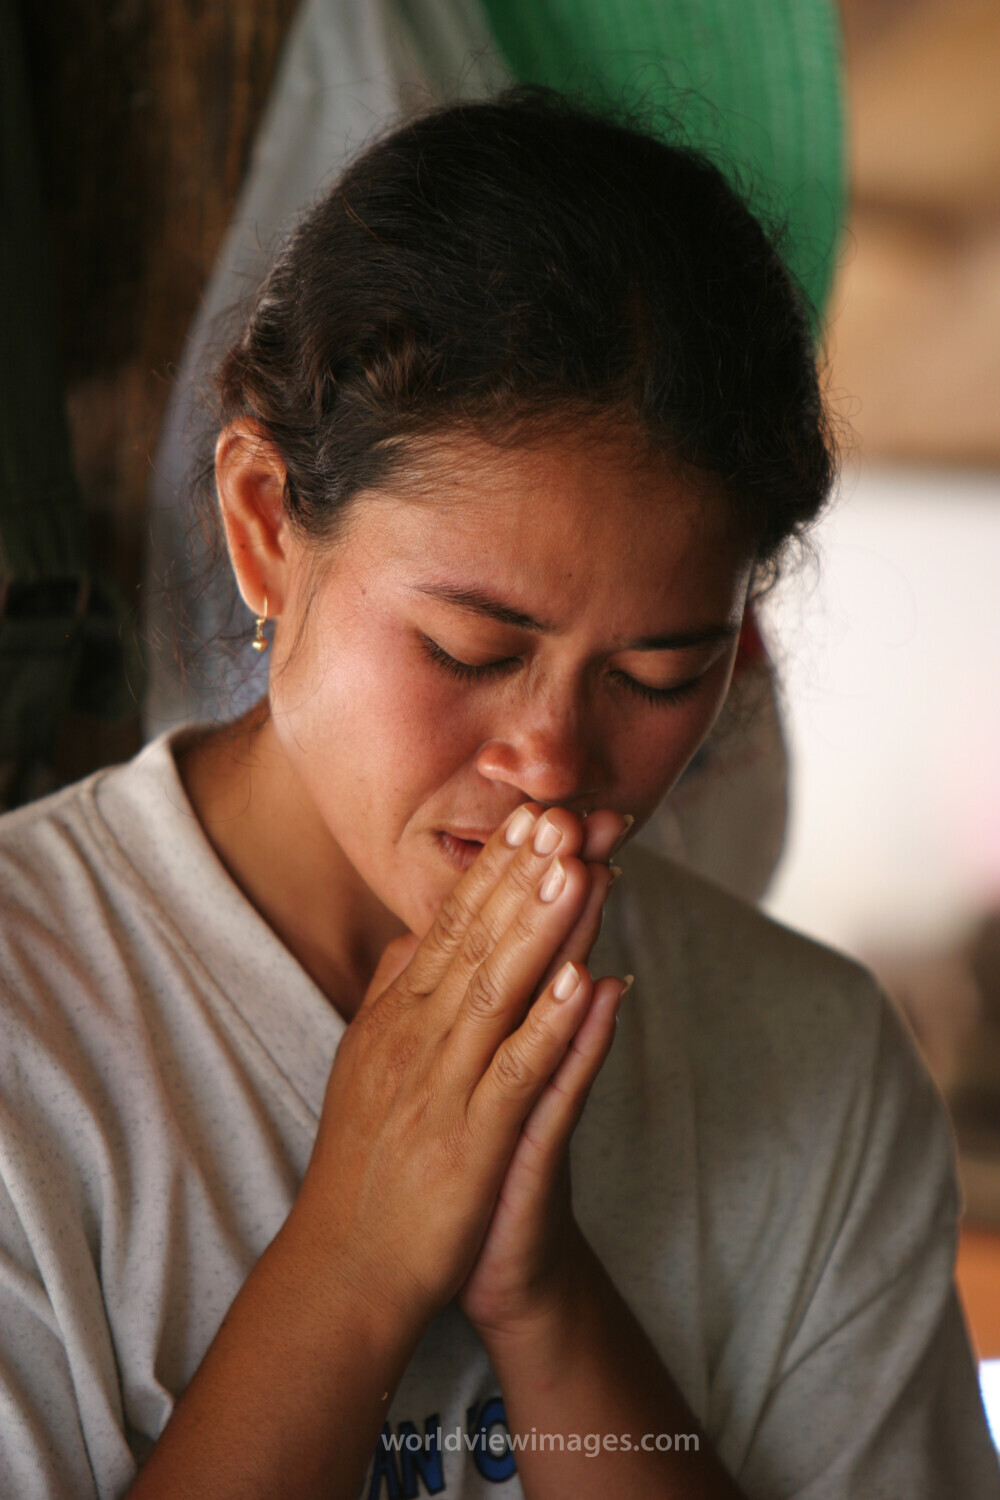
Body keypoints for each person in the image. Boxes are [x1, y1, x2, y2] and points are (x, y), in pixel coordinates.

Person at [0, 90, 996, 1499]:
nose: (553, 761)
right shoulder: (31, 1030)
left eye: (657, 675)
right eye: (473, 649)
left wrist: (551, 1307)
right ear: (267, 530)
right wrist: (354, 1255)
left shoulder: (811, 1072)